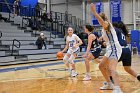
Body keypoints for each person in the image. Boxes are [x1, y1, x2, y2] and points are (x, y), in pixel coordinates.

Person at [90, 3, 123, 93]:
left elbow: (102, 22)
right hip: (110, 48)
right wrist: (102, 41)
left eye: (99, 18)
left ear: (102, 19)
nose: (98, 20)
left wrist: (94, 12)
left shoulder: (107, 24)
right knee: (101, 66)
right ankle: (109, 83)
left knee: (111, 68)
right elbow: (107, 37)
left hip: (115, 48)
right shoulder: (103, 28)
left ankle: (117, 88)